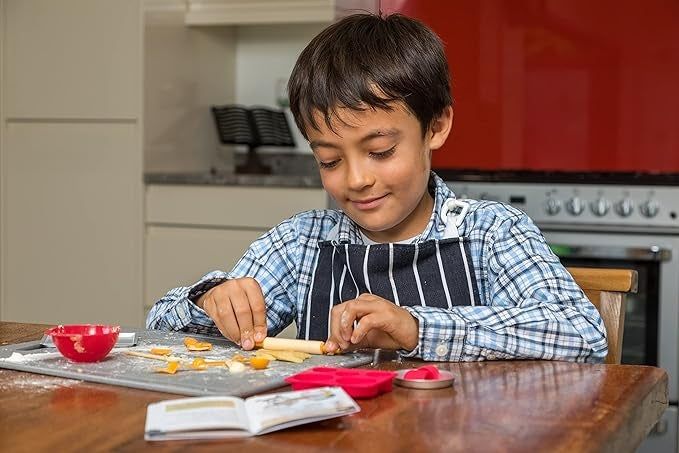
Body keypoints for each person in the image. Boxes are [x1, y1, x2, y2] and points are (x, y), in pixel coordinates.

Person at [146, 12, 607, 362]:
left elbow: (581, 331)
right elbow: (158, 329)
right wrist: (211, 299)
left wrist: (417, 329)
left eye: (381, 151)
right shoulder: (302, 244)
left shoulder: (490, 232)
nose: (357, 179)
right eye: (329, 159)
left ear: (437, 126)